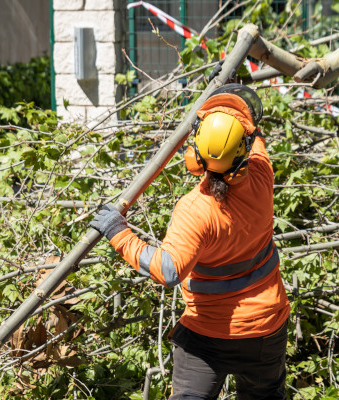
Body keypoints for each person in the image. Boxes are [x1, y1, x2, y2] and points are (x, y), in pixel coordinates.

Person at [90, 84, 289, 400]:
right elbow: (253, 133)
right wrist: (228, 99)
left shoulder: (196, 209)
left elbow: (168, 270)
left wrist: (119, 234)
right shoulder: (262, 174)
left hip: (209, 337)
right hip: (266, 329)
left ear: (194, 155)